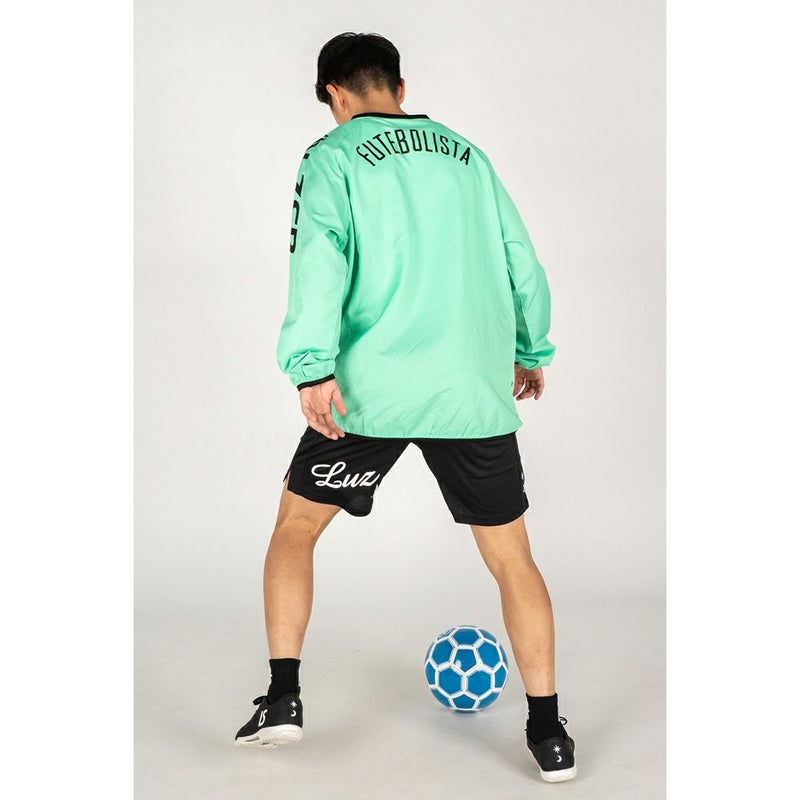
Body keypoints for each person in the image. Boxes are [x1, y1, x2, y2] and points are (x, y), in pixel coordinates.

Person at [234, 31, 577, 783]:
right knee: (512, 558)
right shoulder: (468, 156)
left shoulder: (332, 156)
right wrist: (530, 348)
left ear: (334, 94)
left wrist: (311, 369)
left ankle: (283, 698)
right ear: (400, 87)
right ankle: (549, 734)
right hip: (468, 393)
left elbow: (318, 260)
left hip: (369, 395)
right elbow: (521, 259)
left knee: (296, 527)